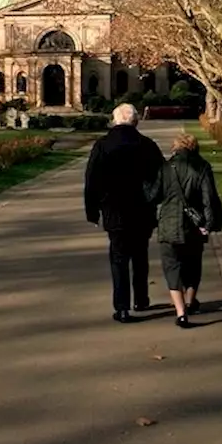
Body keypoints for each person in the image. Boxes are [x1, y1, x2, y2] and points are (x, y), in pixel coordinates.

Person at [84, 103, 165, 323]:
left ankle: (122, 307)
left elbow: (92, 179)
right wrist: (156, 200)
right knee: (140, 254)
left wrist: (92, 210)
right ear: (135, 121)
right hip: (142, 208)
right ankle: (141, 298)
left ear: (115, 120)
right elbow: (161, 176)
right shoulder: (147, 145)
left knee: (119, 258)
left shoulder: (103, 145)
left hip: (114, 209)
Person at [147, 133, 222, 328]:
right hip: (193, 227)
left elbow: (153, 196)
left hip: (168, 225)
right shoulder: (203, 167)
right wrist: (209, 224)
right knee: (193, 264)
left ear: (175, 148)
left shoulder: (165, 167)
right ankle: (190, 301)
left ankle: (181, 312)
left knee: (172, 267)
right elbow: (209, 199)